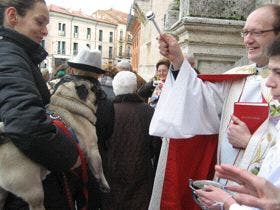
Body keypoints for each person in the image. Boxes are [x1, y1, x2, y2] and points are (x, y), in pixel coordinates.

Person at [148, 4, 280, 210]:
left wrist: (251, 142)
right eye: (245, 32)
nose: (248, 40)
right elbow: (199, 102)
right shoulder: (237, 77)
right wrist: (178, 61)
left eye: (257, 32)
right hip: (225, 191)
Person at [0, 0, 81, 209]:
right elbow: (26, 123)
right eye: (40, 22)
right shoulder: (9, 55)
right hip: (22, 190)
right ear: (12, 16)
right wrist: (71, 156)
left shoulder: (14, 54)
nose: (45, 31)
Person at [195, 37, 280, 210]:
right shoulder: (236, 75)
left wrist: (228, 204)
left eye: (278, 73)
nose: (269, 82)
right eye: (245, 32)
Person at [100, 71, 161, 210]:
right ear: (134, 89)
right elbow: (156, 145)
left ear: (115, 89)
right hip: (140, 172)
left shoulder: (105, 111)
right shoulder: (148, 111)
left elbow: (99, 144)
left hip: (111, 171)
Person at [67, 47, 115, 210]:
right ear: (98, 75)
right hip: (95, 160)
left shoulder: (61, 96)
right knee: (91, 202)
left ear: (73, 70)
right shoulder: (106, 101)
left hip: (66, 160)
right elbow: (107, 132)